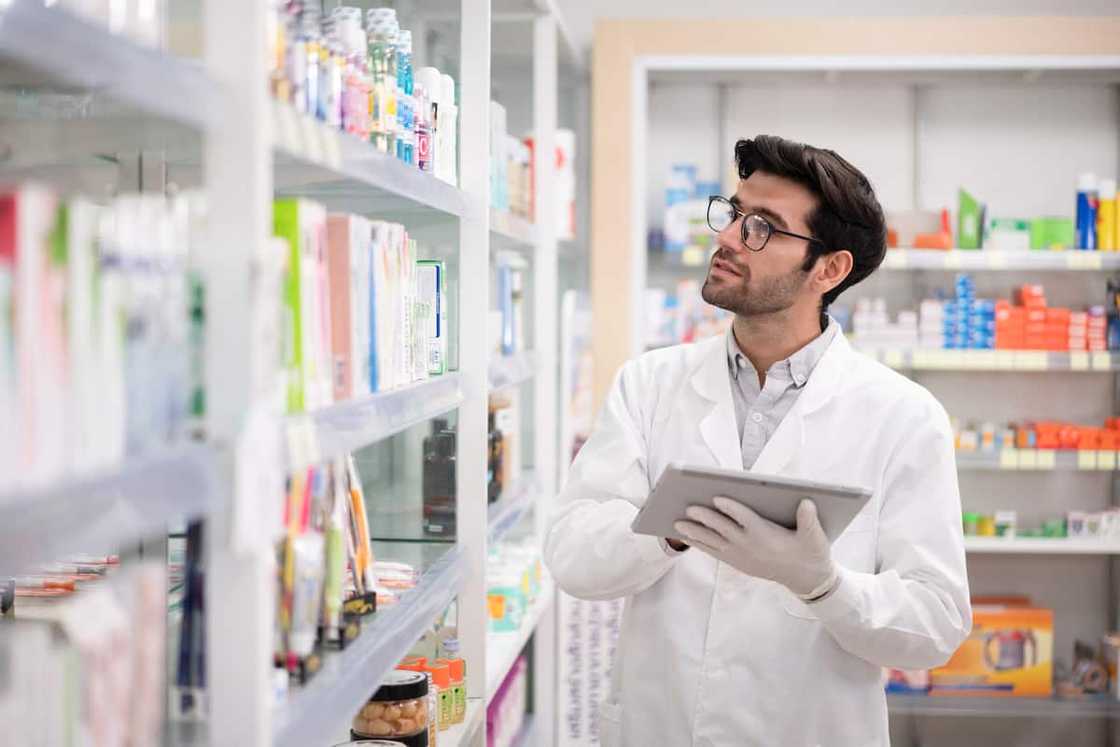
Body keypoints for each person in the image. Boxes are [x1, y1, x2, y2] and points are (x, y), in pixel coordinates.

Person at [544, 135, 971, 747]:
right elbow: (572, 556)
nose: (727, 237)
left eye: (763, 228)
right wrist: (668, 529)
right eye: (735, 213)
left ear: (829, 268)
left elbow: (936, 625)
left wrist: (824, 584)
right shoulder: (648, 384)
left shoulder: (904, 417)